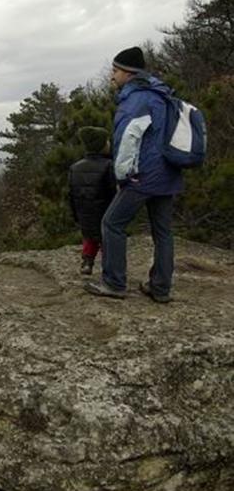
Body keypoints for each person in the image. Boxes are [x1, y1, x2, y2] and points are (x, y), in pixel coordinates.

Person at [84, 46, 183, 303]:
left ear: (128, 73)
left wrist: (122, 177)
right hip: (167, 173)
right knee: (163, 232)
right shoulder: (161, 94)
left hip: (143, 176)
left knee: (111, 223)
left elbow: (127, 141)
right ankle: (160, 288)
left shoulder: (136, 99)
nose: (112, 76)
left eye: (115, 71)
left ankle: (114, 283)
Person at [68, 126, 116, 275]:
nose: (109, 143)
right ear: (101, 146)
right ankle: (109, 267)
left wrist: (76, 214)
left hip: (84, 212)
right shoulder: (109, 166)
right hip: (105, 210)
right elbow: (113, 191)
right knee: (107, 241)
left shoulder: (75, 167)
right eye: (107, 141)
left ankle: (87, 262)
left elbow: (71, 194)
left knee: (89, 237)